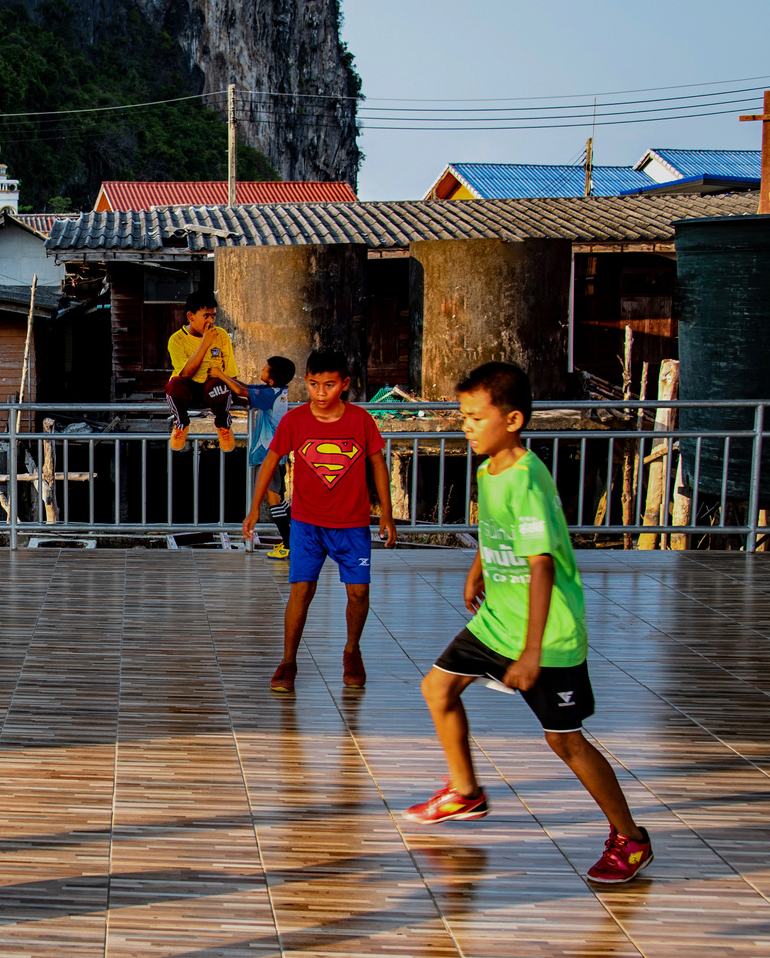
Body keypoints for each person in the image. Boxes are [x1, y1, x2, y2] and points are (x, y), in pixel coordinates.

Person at [404, 362, 654, 885]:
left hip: (547, 634)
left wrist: (533, 652)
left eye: (475, 417)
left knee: (564, 740)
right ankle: (466, 793)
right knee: (437, 688)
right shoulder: (486, 470)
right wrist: (477, 570)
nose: (465, 426)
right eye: (461, 416)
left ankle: (629, 838)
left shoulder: (528, 480)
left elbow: (541, 563)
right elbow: (494, 528)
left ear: (512, 419)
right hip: (498, 619)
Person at [243, 349, 395, 692]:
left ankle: (352, 651)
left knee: (358, 593)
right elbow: (270, 462)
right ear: (306, 383)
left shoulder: (361, 421)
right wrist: (255, 509)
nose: (321, 393)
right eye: (313, 385)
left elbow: (377, 466)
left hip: (353, 524)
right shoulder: (296, 421)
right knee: (301, 590)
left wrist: (385, 513)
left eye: (329, 385)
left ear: (344, 384)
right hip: (307, 524)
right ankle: (287, 661)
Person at [164, 289, 236, 453]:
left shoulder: (221, 335)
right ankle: (181, 424)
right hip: (188, 389)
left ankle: (223, 426)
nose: (211, 321)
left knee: (219, 384)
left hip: (212, 390)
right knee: (174, 385)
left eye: (213, 316)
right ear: (190, 316)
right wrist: (205, 343)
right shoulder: (177, 339)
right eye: (206, 316)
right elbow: (186, 373)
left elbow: (231, 373)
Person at [248, 357, 296, 561]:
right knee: (278, 498)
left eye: (265, 368)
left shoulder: (269, 394)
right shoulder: (275, 391)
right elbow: (247, 388)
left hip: (271, 453)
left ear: (273, 377)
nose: (261, 369)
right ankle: (300, 531)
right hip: (274, 453)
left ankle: (288, 544)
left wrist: (222, 377)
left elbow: (243, 391)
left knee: (273, 497)